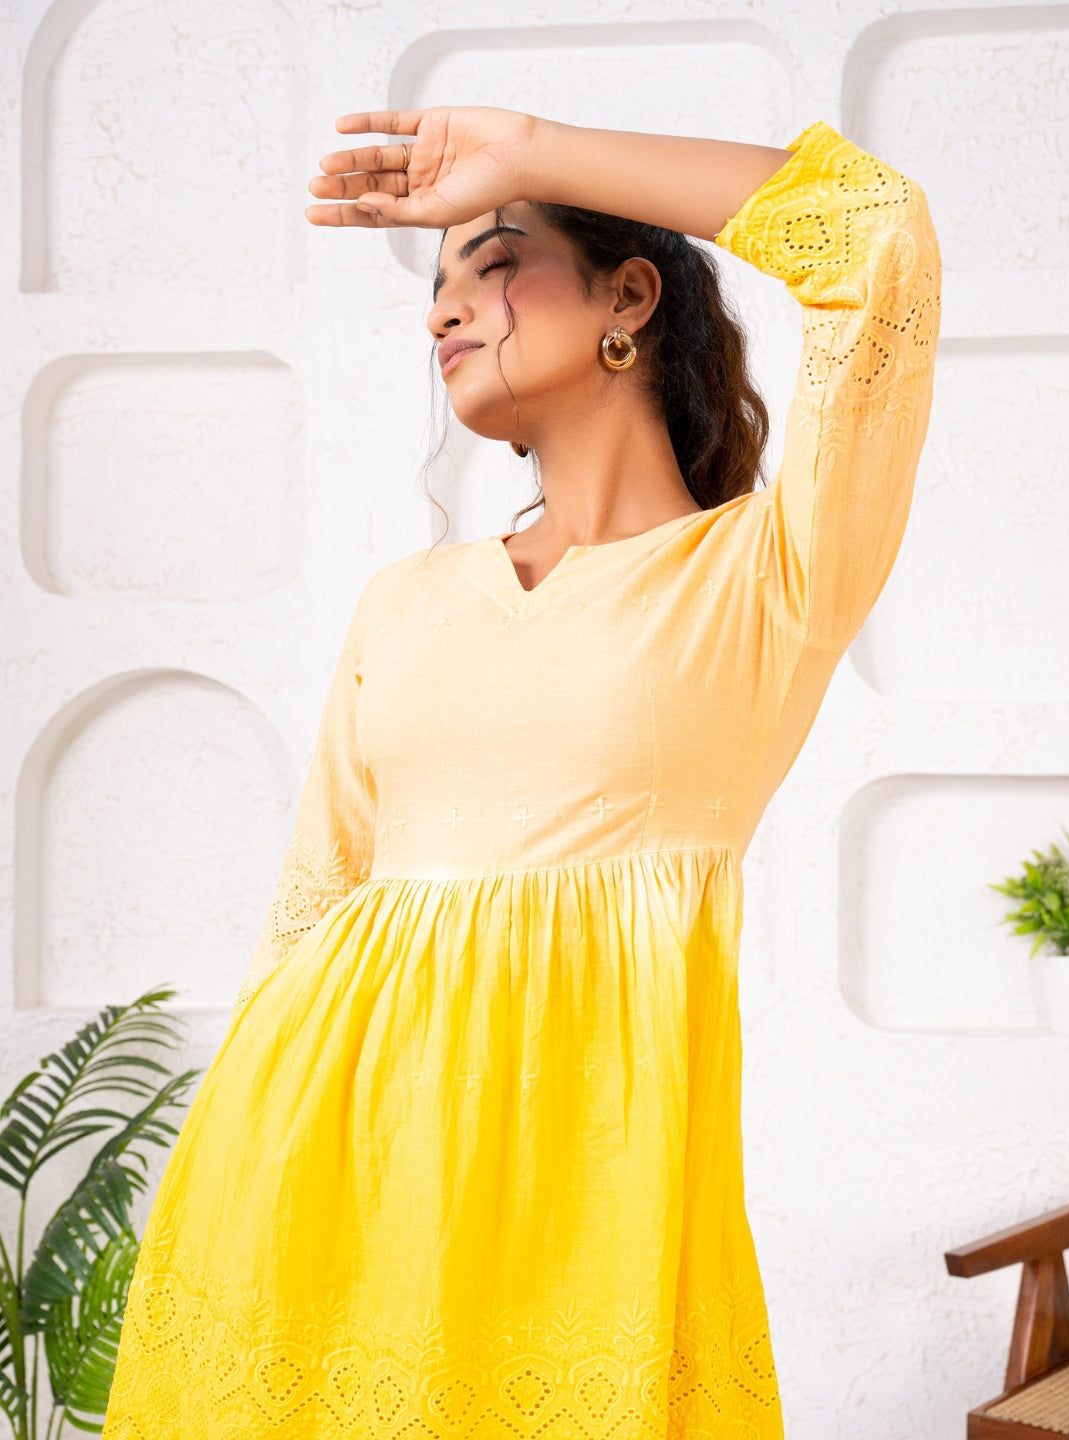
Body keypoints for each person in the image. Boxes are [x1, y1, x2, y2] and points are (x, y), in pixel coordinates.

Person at [103, 104, 940, 1438]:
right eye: (433, 290)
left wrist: (528, 154)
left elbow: (875, 236)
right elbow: (315, 901)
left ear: (629, 297)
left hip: (586, 1218)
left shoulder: (763, 578)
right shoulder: (403, 601)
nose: (443, 311)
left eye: (491, 264)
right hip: (303, 1179)